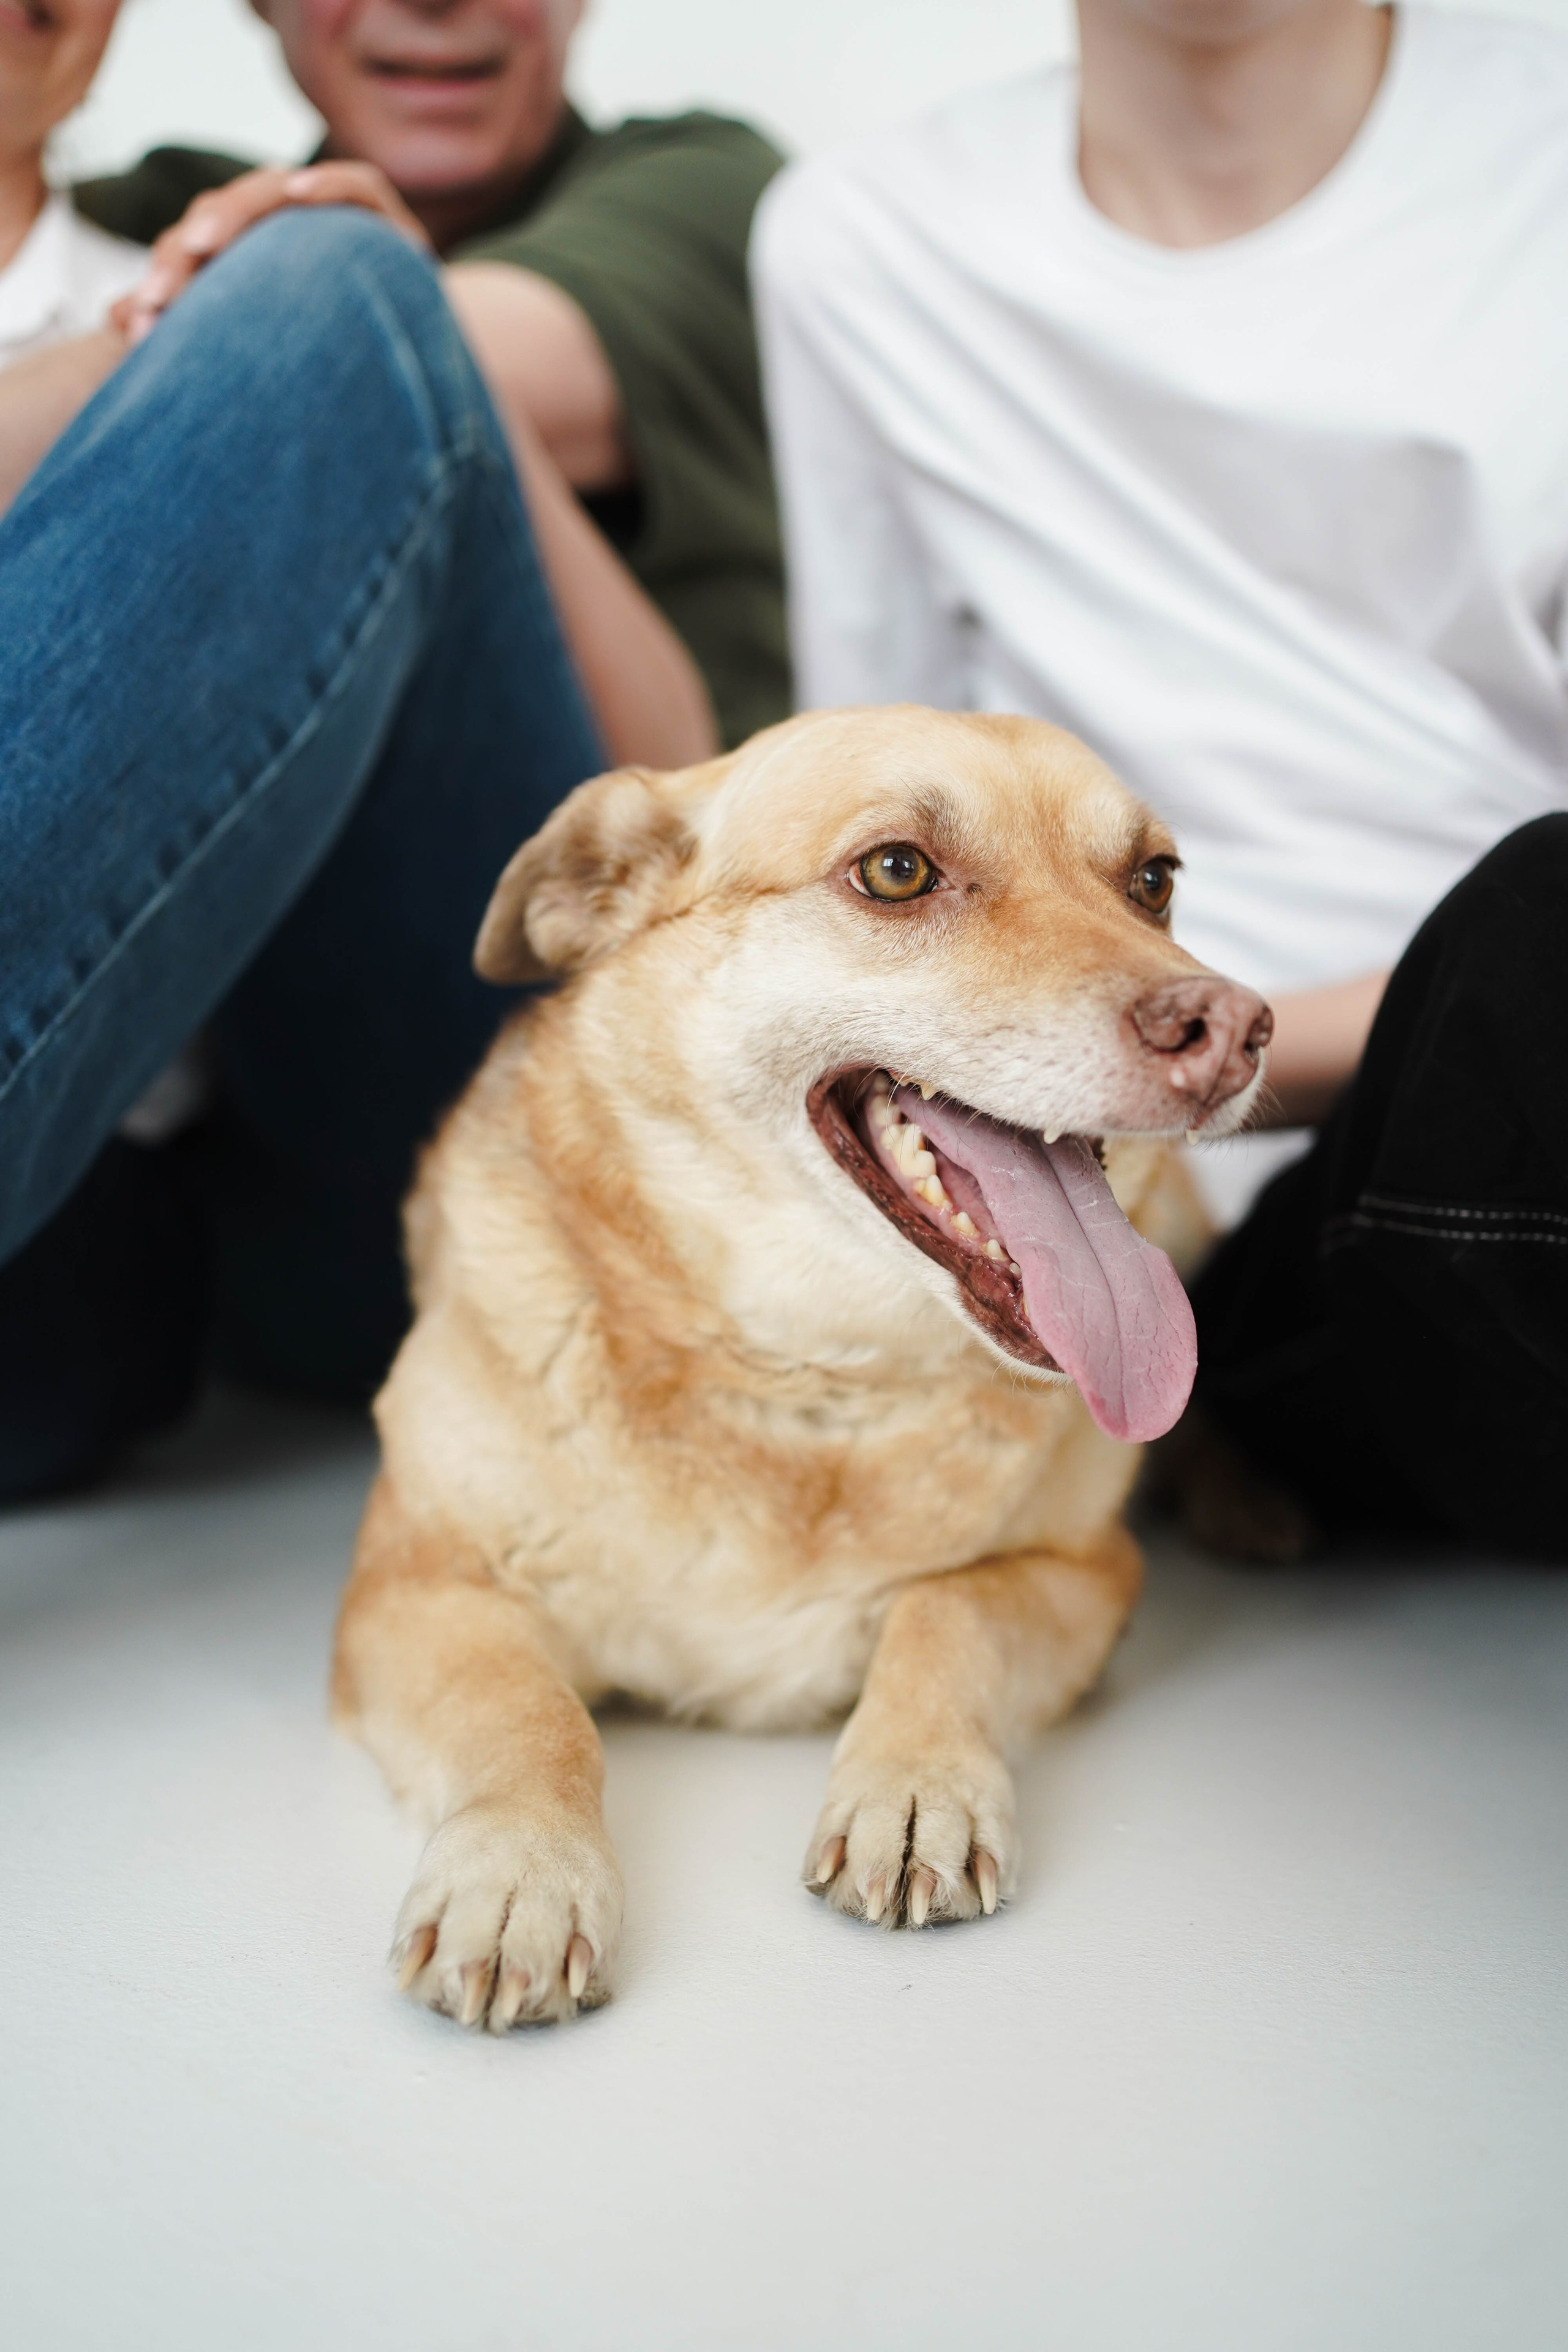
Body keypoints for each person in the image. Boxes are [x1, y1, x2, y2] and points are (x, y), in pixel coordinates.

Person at [753, 0, 1568, 1556]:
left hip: (1495, 1064)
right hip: (1192, 1233)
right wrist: (1117, 1070)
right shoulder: (865, 243)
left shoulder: (1534, 160)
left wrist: (1202, 1049)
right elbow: (861, 817)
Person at [0, 1, 786, 1501]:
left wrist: (315, 306)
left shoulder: (699, 188)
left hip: (531, 1119)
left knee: (340, 290)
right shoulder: (167, 217)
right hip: (169, 1189)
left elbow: (367, 348)